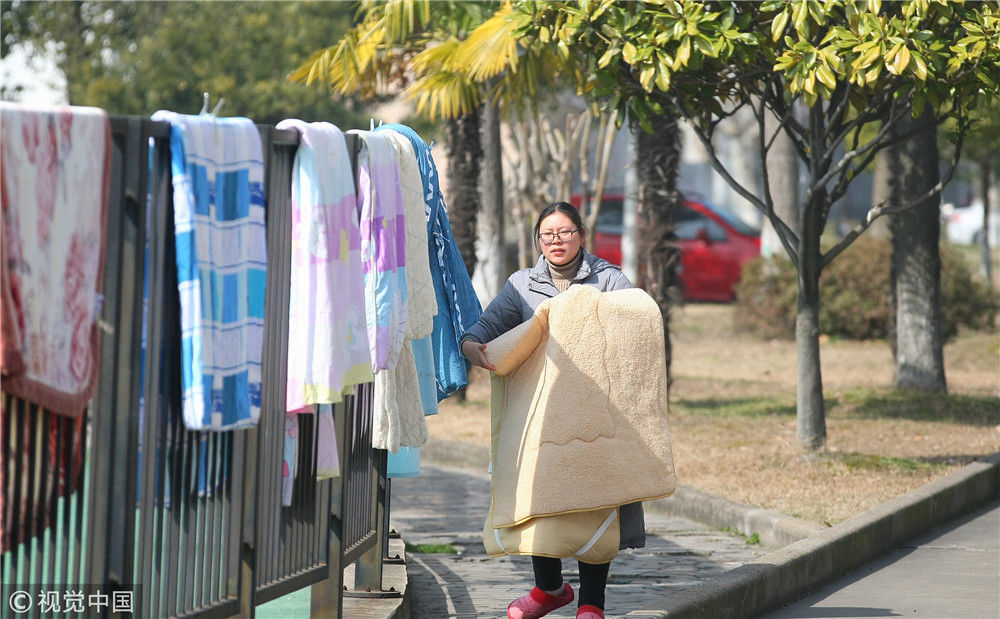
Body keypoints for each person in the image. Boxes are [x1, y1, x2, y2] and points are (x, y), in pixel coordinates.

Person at [460, 201, 645, 619]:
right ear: (537, 240)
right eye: (547, 234)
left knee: (593, 503)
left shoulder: (611, 280)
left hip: (597, 415)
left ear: (582, 234)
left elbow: (634, 334)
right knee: (539, 501)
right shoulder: (522, 285)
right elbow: (483, 329)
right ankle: (548, 590)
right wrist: (472, 346)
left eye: (564, 232)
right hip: (539, 416)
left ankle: (592, 605)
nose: (556, 241)